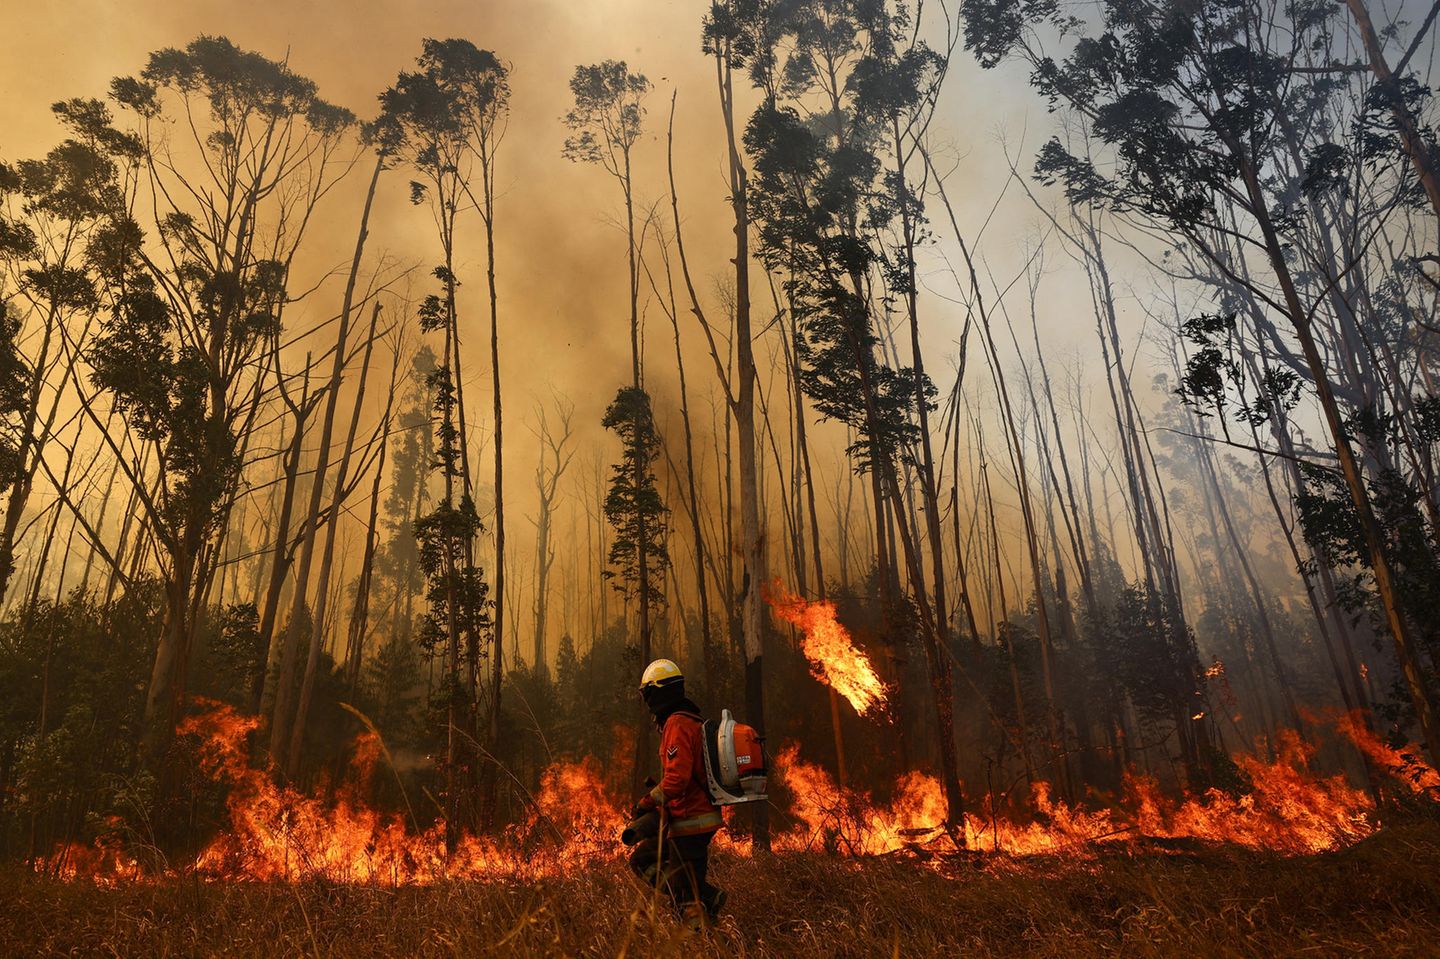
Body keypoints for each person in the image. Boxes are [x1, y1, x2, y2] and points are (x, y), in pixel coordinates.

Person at [627, 658, 726, 930]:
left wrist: (647, 801)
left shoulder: (678, 724)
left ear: (657, 692)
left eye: (647, 693)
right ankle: (705, 898)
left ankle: (703, 920)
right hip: (688, 819)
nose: (646, 700)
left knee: (686, 897)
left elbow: (678, 779)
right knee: (642, 859)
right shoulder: (687, 720)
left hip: (691, 821)